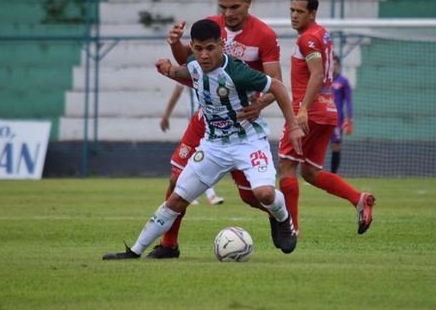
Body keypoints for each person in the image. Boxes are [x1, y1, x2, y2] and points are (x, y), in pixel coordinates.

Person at [102, 19, 303, 260]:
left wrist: (292, 126)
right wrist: (166, 68)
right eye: (198, 49)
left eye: (210, 48)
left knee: (263, 194)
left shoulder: (237, 72)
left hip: (248, 142)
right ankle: (134, 251)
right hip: (214, 146)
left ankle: (283, 217)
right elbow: (183, 70)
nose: (204, 55)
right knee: (176, 198)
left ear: (221, 45)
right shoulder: (196, 65)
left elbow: (279, 88)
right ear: (193, 47)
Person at [146, 0, 283, 259]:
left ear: (248, 3)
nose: (229, 13)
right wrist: (176, 45)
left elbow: (275, 84)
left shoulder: (264, 36)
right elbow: (189, 64)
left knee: (251, 196)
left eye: (235, 7)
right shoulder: (211, 26)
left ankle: (276, 213)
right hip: (206, 119)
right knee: (176, 180)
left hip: (243, 124)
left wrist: (259, 106)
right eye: (223, 7)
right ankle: (169, 244)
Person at [277, 0, 375, 236]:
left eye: (300, 11)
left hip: (309, 113)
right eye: (292, 10)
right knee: (310, 172)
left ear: (312, 13)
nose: (294, 15)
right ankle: (358, 199)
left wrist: (302, 110)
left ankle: (292, 229)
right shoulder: (322, 34)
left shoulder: (307, 39)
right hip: (328, 111)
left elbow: (317, 74)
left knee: (286, 167)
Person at [160, 83, 224, 205]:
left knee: (204, 157)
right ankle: (192, 193)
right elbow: (177, 92)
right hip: (197, 123)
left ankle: (206, 194)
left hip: (214, 122)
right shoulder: (191, 69)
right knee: (196, 159)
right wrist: (166, 115)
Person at [329, 54, 353, 173]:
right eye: (331, 64)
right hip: (323, 118)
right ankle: (313, 172)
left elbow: (349, 101)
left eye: (335, 64)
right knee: (317, 145)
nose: (333, 67)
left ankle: (333, 174)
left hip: (337, 120)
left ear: (338, 66)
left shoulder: (343, 81)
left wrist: (349, 119)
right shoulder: (323, 80)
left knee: (336, 146)